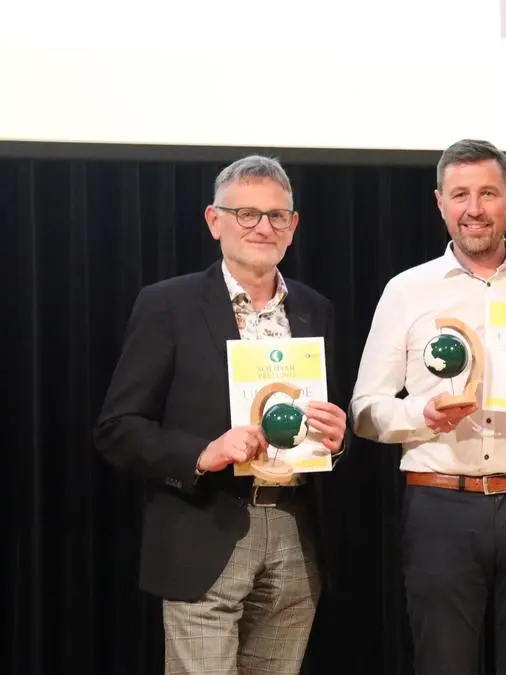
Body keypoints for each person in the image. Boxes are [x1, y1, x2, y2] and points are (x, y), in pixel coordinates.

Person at [349, 139, 506, 675]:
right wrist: (422, 415)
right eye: (460, 194)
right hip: (442, 508)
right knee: (443, 664)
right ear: (439, 202)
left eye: (487, 193)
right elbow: (365, 410)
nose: (474, 208)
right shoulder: (407, 290)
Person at [93, 155, 349, 675]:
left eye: (277, 216)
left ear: (294, 226)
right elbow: (118, 428)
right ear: (215, 221)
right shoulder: (169, 305)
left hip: (295, 534)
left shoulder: (314, 308)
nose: (263, 227)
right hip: (206, 527)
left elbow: (328, 420)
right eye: (246, 214)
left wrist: (340, 439)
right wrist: (202, 453)